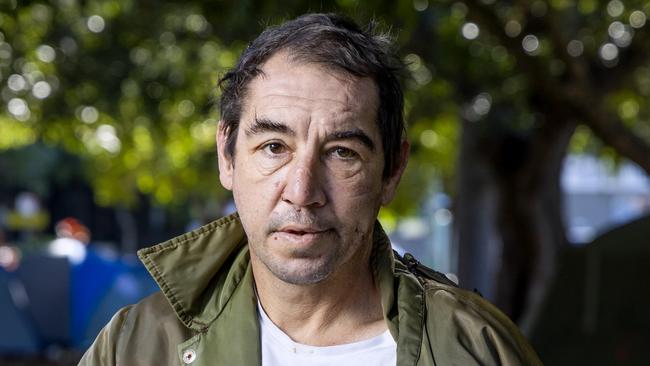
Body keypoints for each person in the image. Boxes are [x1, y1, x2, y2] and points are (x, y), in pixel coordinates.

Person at [79, 13, 542, 365]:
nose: (302, 191)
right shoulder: (135, 345)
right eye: (274, 146)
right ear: (227, 156)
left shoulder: (475, 349)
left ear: (393, 170)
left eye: (342, 152)